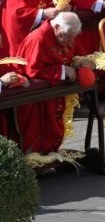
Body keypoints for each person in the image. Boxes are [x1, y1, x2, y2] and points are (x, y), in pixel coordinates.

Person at [15, 12, 89, 154]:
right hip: (34, 96)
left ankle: (51, 153)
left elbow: (78, 54)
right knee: (37, 130)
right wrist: (63, 71)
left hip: (55, 92)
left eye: (73, 37)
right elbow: (33, 70)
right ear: (56, 27)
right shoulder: (39, 38)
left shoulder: (67, 36)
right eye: (68, 36)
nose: (70, 41)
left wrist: (80, 62)